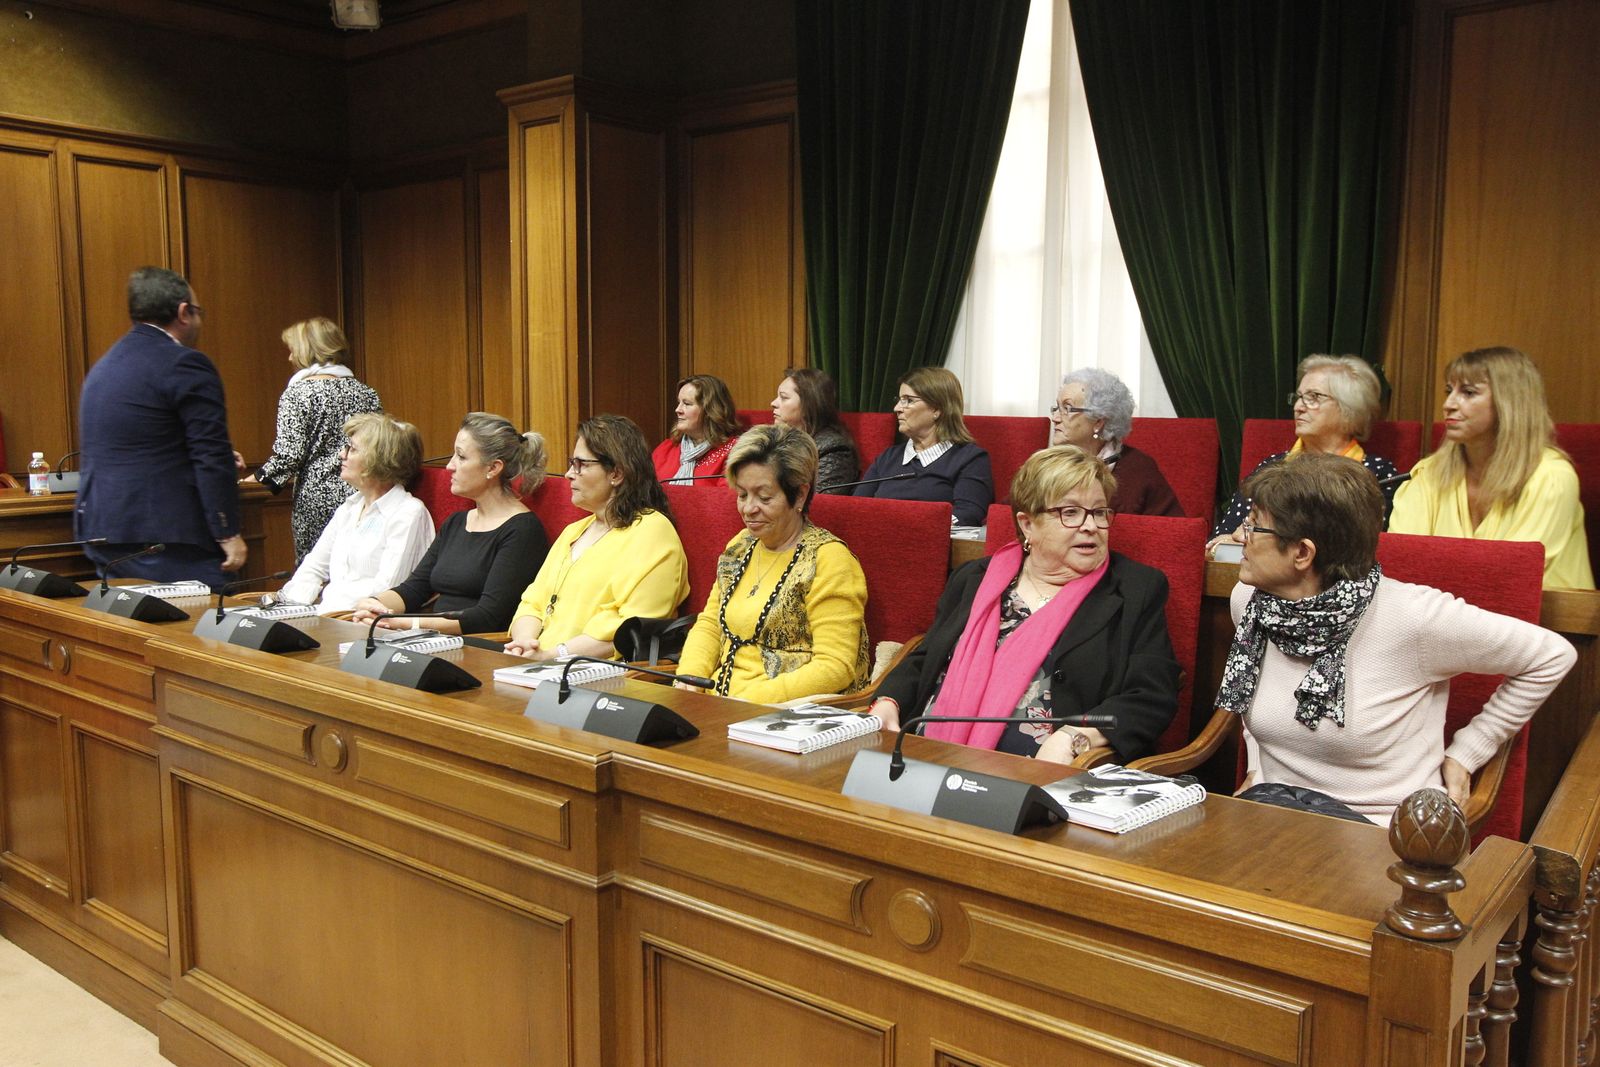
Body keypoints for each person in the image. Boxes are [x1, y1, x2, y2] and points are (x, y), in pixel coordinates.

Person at [1219, 453, 1575, 824]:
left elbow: (1551, 656)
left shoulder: (1413, 617)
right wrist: (1258, 769)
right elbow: (1253, 693)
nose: (1239, 536)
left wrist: (1468, 751)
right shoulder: (1250, 604)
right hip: (1277, 821)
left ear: (1302, 553)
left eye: (1254, 526)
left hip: (1385, 832)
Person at [868, 446, 1180, 764]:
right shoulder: (975, 578)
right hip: (925, 756)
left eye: (1099, 512)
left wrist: (1077, 735)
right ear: (1027, 523)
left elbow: (1151, 696)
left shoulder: (1136, 589)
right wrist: (888, 701)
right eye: (1070, 513)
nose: (1091, 526)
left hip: (1048, 776)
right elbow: (927, 656)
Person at [75, 266, 245, 588]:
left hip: (103, 529)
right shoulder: (185, 363)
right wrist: (227, 531)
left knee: (130, 633)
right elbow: (209, 454)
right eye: (197, 312)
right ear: (183, 312)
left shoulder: (103, 366)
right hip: (167, 538)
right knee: (207, 631)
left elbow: (141, 441)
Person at [676, 425, 870, 701]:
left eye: (764, 497)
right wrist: (690, 679)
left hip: (780, 715)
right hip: (717, 702)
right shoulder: (740, 546)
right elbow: (710, 623)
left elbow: (835, 667)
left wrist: (748, 702)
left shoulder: (828, 559)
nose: (748, 508)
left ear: (800, 495)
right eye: (742, 495)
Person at [1390, 347, 1593, 590]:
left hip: (1544, 623)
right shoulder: (1427, 473)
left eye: (1468, 392)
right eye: (1449, 390)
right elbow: (1401, 564)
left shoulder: (1551, 477)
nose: (1448, 404)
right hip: (1443, 621)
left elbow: (1512, 575)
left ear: (1509, 403)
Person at [505, 415, 689, 662]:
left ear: (616, 473)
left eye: (581, 464)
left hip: (596, 674)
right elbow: (532, 603)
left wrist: (552, 655)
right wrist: (525, 644)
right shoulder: (574, 531)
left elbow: (629, 629)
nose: (569, 473)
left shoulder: (652, 531)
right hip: (539, 664)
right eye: (572, 463)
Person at [350, 414, 548, 634]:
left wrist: (407, 623)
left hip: (480, 647)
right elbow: (414, 589)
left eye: (461, 457)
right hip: (430, 638)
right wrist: (373, 604)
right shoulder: (456, 522)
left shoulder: (523, 531)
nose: (449, 466)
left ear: (493, 468)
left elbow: (488, 617)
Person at [1210, 355, 1399, 554]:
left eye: (1313, 397)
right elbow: (1218, 544)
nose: (1298, 407)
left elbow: (1362, 549)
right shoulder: (1273, 466)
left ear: (1349, 409)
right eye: (1299, 397)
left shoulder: (1376, 473)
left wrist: (1260, 544)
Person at [248, 317, 381, 561]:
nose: (289, 358)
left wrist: (253, 483)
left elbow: (289, 455)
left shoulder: (298, 393)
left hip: (317, 501)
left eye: (292, 351)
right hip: (363, 494)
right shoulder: (366, 392)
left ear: (307, 351)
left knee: (315, 572)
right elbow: (378, 447)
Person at [277, 412, 434, 613]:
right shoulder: (349, 508)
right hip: (330, 616)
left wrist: (327, 607)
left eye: (352, 449)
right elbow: (314, 567)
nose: (342, 455)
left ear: (378, 459)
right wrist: (292, 608)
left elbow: (387, 590)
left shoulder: (408, 513)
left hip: (368, 624)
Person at [854, 366, 993, 527]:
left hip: (931, 546)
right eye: (899, 400)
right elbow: (857, 507)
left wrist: (912, 527)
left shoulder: (970, 459)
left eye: (908, 400)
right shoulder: (888, 457)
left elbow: (968, 514)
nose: (897, 408)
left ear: (937, 409)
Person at [1050, 368, 1182, 517]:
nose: (1055, 418)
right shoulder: (1049, 464)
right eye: (1056, 408)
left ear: (1098, 422)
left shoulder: (1138, 471)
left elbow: (1174, 532)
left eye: (1067, 409)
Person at [770, 367, 859, 489]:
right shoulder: (776, 439)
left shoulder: (834, 448)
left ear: (809, 405)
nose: (773, 403)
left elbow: (822, 502)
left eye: (784, 397)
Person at [651, 374, 742, 485]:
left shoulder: (734, 453)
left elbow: (725, 499)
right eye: (678, 403)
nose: (677, 410)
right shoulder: (666, 448)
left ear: (710, 411)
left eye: (687, 404)